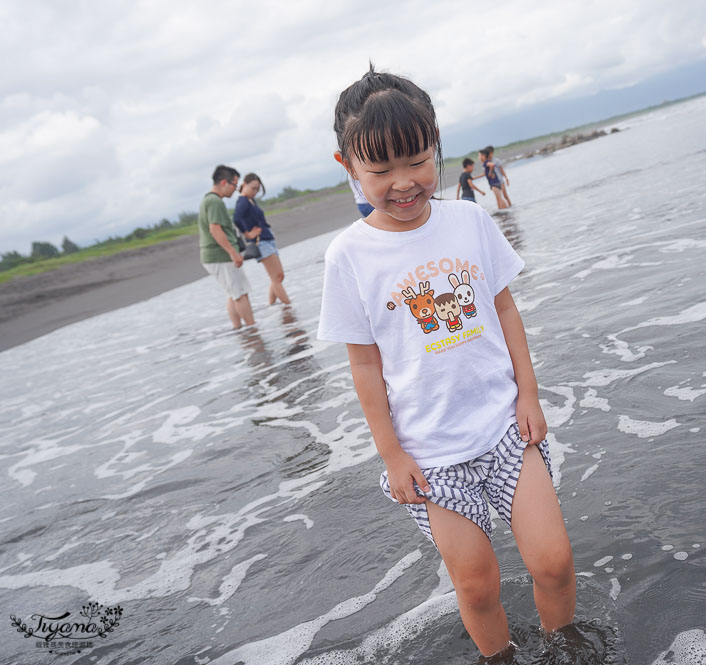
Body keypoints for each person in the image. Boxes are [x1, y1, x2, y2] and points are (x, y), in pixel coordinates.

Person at [318, 67, 575, 660]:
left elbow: (506, 310)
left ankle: (569, 650)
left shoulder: (468, 220)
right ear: (348, 166)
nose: (403, 183)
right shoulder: (349, 256)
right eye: (380, 170)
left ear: (436, 142)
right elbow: (364, 366)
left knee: (554, 562)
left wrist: (529, 397)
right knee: (478, 584)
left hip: (504, 425)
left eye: (416, 160)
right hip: (430, 454)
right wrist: (392, 453)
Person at [198, 165, 255, 329]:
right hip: (220, 256)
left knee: (233, 294)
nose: (235, 189)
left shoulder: (208, 200)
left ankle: (239, 329)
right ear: (224, 182)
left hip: (215, 256)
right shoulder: (214, 201)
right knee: (240, 293)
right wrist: (233, 253)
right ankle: (253, 331)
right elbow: (215, 229)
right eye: (234, 185)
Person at [233, 173, 291, 305]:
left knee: (278, 276)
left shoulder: (250, 200)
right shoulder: (242, 201)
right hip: (260, 242)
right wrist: (247, 234)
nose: (255, 192)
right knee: (277, 277)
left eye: (257, 189)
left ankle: (273, 306)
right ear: (244, 185)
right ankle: (289, 307)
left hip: (267, 239)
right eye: (253, 188)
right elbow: (236, 218)